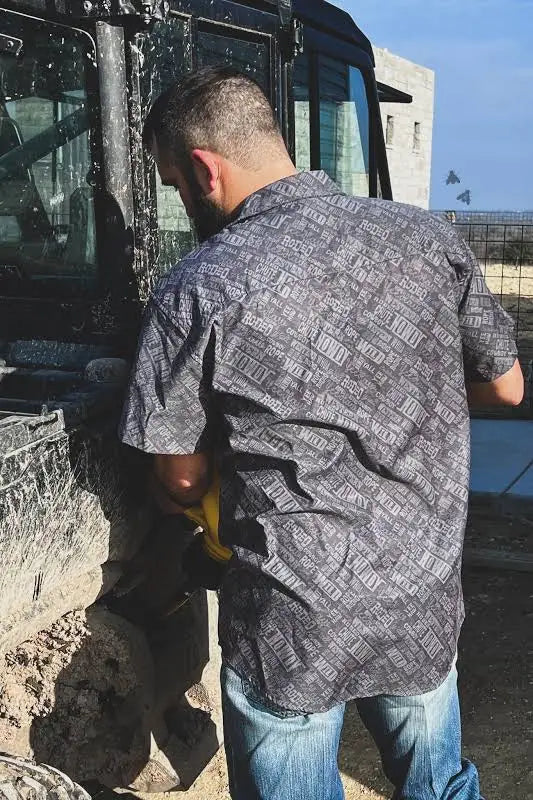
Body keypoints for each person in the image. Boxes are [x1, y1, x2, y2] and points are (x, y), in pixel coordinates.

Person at [119, 66, 523, 800]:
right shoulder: (424, 237)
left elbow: (179, 476)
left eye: (177, 185)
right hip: (419, 592)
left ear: (205, 167)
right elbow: (505, 386)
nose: (184, 201)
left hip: (294, 616)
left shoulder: (199, 285)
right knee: (436, 785)